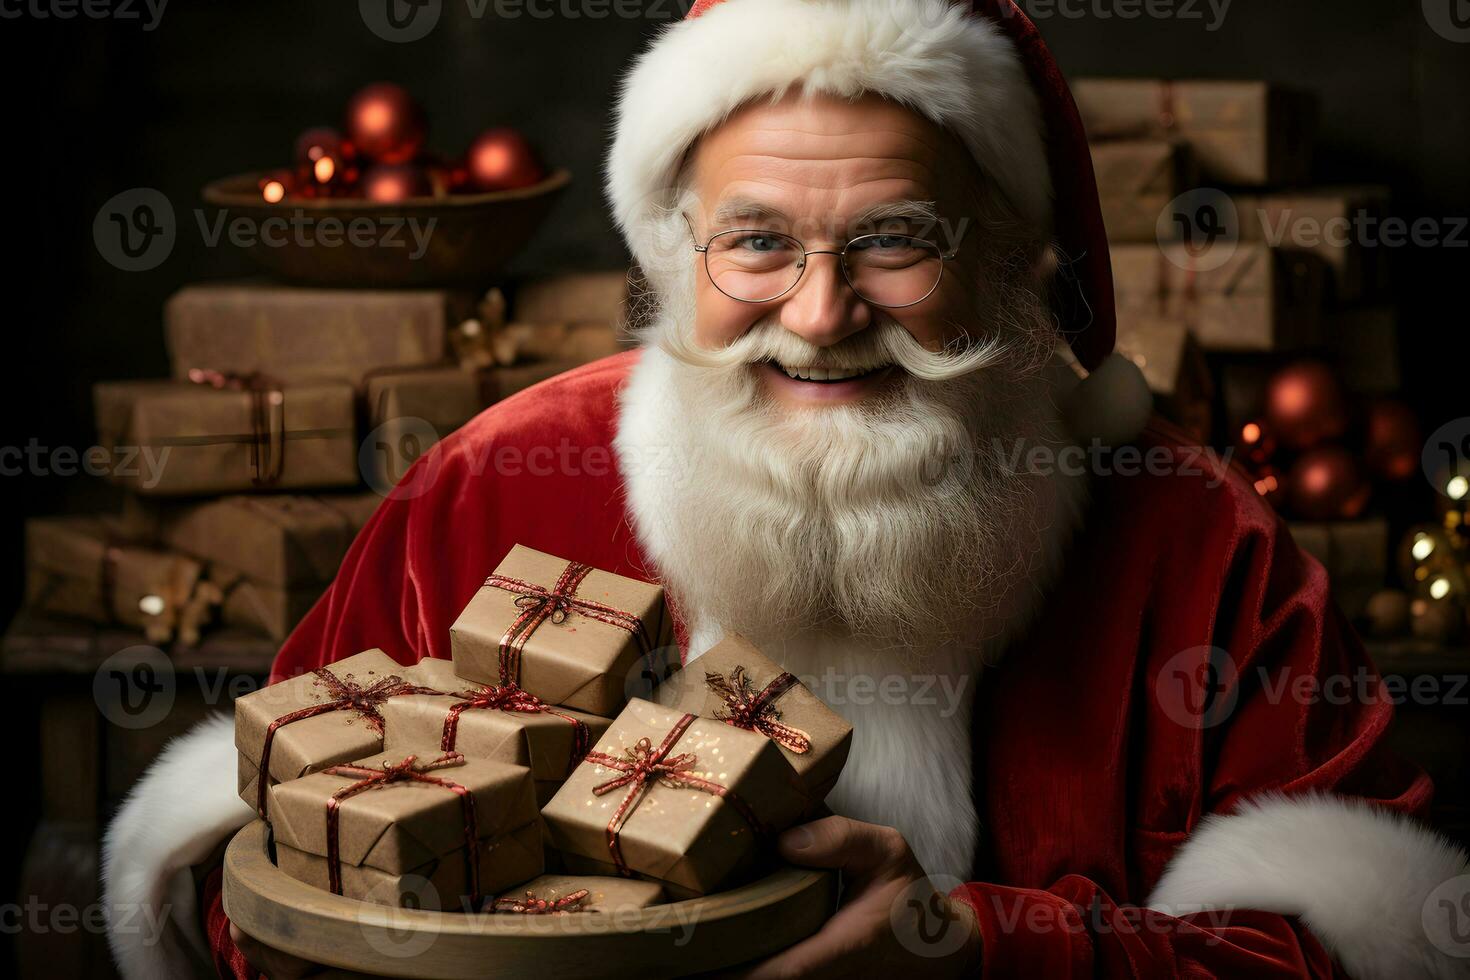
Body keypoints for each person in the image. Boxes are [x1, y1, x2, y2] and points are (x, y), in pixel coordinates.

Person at [104, 1, 1468, 977]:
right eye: (755, 242)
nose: (818, 317)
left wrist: (982, 947)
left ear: (1006, 257)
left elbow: (1355, 942)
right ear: (673, 250)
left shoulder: (1194, 541)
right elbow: (267, 881)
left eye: (892, 240)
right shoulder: (500, 484)